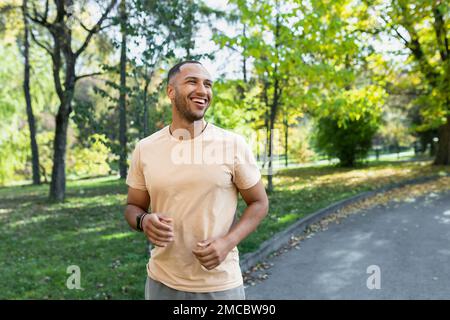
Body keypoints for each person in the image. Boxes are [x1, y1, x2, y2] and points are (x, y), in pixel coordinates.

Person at [124, 60, 269, 300]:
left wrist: (227, 243)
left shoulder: (232, 144)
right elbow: (132, 207)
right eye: (192, 82)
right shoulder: (145, 148)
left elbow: (259, 203)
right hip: (161, 282)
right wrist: (143, 220)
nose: (203, 90)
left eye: (208, 84)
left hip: (220, 285)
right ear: (171, 92)